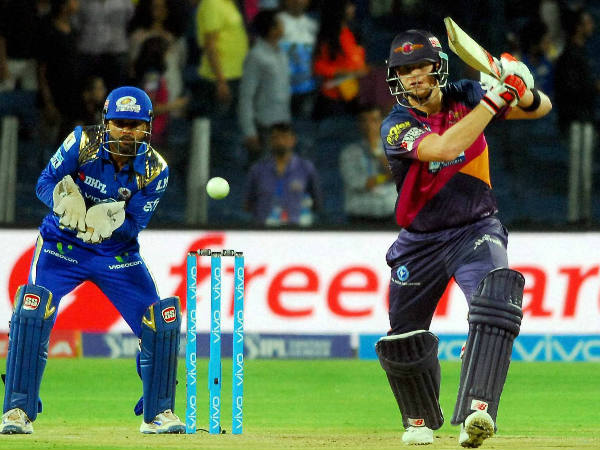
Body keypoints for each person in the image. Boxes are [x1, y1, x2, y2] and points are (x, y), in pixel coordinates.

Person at [374, 30, 551, 447]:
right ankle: (419, 420)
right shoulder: (397, 125)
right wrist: (496, 99)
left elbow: (540, 108)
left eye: (420, 65)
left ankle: (478, 412)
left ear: (437, 67)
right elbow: (442, 148)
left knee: (494, 306)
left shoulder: (467, 95)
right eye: (404, 70)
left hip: (475, 228)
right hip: (420, 242)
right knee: (404, 337)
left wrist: (520, 88)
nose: (414, 76)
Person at [0, 86, 184, 435]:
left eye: (134, 125)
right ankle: (17, 411)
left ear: (147, 127)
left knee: (159, 321)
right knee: (32, 312)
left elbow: (134, 224)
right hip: (61, 246)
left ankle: (158, 413)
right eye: (119, 123)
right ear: (106, 122)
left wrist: (111, 223)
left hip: (115, 253)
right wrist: (61, 200)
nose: (126, 131)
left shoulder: (155, 169)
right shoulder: (82, 142)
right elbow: (45, 181)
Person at [554, 6, 598, 225]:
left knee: (585, 172)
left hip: (585, 118)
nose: (592, 26)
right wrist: (593, 87)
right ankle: (574, 218)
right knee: (577, 172)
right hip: (575, 120)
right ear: (578, 27)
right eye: (588, 22)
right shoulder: (569, 55)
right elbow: (568, 89)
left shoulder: (582, 52)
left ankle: (583, 216)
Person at [238, 9, 291, 165]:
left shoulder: (281, 53)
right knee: (262, 171)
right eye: (280, 24)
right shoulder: (256, 56)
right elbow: (246, 95)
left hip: (283, 123)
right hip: (264, 126)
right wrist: (249, 131)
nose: (283, 26)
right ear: (272, 29)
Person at [245, 122, 322, 227]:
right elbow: (248, 204)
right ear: (270, 141)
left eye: (284, 137)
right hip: (263, 230)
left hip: (297, 230)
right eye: (276, 137)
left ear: (293, 140)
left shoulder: (306, 168)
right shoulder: (257, 169)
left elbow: (317, 202)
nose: (280, 141)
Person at [339, 103, 396, 226]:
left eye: (374, 120)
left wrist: (377, 151)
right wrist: (385, 177)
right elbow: (358, 183)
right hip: (360, 217)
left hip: (390, 215)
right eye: (365, 121)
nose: (369, 126)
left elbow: (397, 175)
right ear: (359, 124)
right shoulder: (349, 152)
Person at [312, 0, 368, 119]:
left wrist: (362, 70)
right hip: (332, 98)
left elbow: (358, 61)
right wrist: (342, 72)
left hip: (353, 94)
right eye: (349, 6)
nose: (353, 9)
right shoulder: (329, 36)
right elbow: (318, 67)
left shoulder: (352, 32)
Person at [277, 0, 319, 118]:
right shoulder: (275, 23)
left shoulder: (313, 25)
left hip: (308, 90)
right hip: (281, 92)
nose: (297, 1)